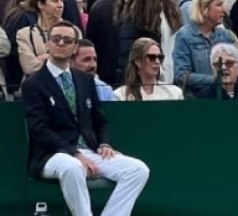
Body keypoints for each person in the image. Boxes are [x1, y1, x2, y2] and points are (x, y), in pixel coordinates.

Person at [22, 21, 150, 215]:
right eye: (56, 39)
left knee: (138, 170)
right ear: (48, 44)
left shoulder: (85, 80)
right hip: (51, 155)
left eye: (67, 40)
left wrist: (105, 143)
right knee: (73, 168)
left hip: (88, 150)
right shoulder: (33, 84)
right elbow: (39, 129)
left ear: (75, 48)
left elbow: (100, 120)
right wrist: (74, 153)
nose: (61, 43)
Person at [173, 0, 238, 99]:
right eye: (219, 5)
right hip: (197, 101)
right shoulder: (184, 36)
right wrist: (215, 79)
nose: (224, 10)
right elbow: (181, 76)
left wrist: (236, 54)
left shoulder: (225, 35)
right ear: (204, 8)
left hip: (224, 99)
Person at [86, 0, 142, 87]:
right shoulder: (145, 5)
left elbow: (93, 44)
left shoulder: (98, 6)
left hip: (105, 78)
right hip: (139, 79)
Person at [114, 37, 183, 101]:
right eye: (152, 57)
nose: (157, 61)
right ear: (138, 61)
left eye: (160, 57)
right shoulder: (120, 96)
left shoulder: (174, 94)